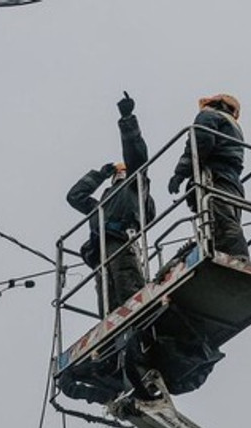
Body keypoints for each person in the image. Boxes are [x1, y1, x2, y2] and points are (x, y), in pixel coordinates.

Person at [67, 92, 156, 316]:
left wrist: (128, 119)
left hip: (121, 242)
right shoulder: (103, 204)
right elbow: (75, 197)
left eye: (120, 171)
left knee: (129, 291)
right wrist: (100, 174)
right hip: (101, 251)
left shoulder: (135, 185)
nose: (118, 174)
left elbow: (136, 154)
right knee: (107, 304)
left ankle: (140, 319)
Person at [167, 93, 250, 260]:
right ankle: (228, 255)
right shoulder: (233, 125)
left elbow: (200, 142)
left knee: (220, 222)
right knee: (224, 221)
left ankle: (236, 258)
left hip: (215, 177)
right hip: (231, 181)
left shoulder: (209, 115)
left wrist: (180, 173)